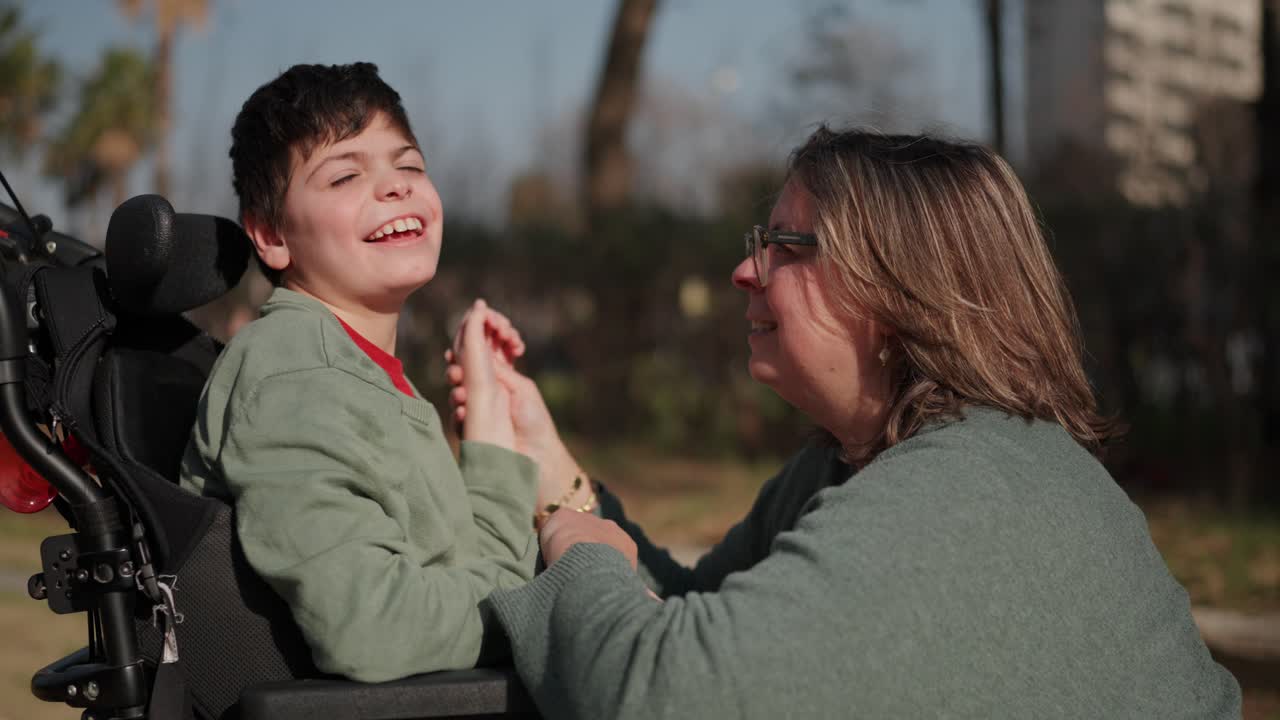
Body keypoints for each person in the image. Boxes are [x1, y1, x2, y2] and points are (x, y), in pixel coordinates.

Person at [447, 126, 1242, 717]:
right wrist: (550, 464)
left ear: (901, 294)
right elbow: (695, 605)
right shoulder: (848, 464)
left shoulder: (970, 493)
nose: (744, 270)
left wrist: (569, 540)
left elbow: (664, 694)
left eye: (788, 246)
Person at [179, 62, 549, 682]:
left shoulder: (354, 372)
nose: (396, 187)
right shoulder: (294, 378)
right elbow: (375, 629)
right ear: (271, 234)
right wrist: (571, 596)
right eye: (346, 174)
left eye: (409, 166)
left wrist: (486, 414)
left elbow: (483, 568)